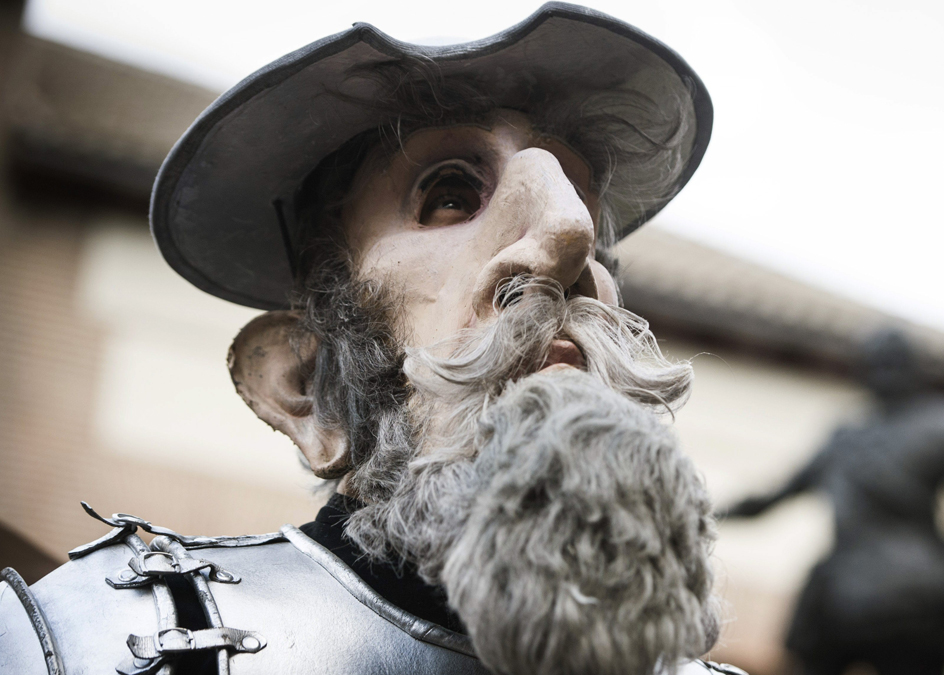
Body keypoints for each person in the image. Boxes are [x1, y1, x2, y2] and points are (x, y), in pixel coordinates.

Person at [0, 5, 745, 675]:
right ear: (308, 387)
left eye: (582, 204)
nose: (567, 236)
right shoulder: (97, 645)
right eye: (450, 195)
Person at [721, 329, 944, 675]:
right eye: (877, 364)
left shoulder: (943, 426)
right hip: (843, 591)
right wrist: (704, 513)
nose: (884, 374)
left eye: (894, 364)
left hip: (918, 594)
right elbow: (775, 497)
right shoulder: (847, 438)